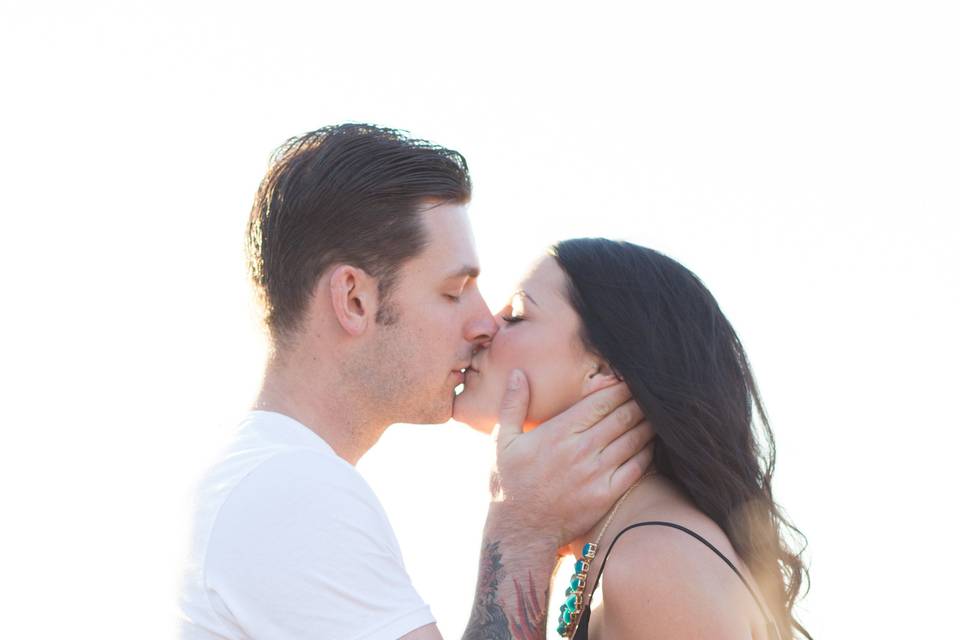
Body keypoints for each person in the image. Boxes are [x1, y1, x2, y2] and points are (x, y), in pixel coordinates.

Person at [177, 125, 654, 639]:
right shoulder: (290, 490)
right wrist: (522, 531)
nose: (484, 323)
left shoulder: (264, 476)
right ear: (354, 300)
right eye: (453, 292)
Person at [454, 239, 813, 639]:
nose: (485, 328)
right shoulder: (642, 547)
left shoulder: (656, 562)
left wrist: (517, 530)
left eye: (517, 316)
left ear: (603, 369)